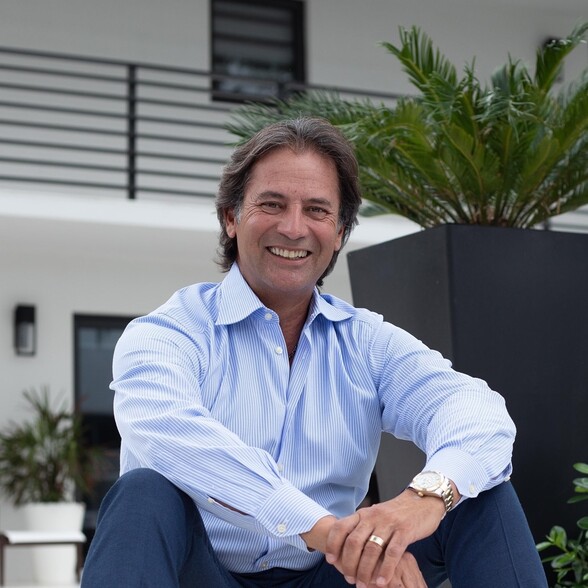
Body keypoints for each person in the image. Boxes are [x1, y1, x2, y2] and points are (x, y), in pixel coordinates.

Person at [81, 117, 547, 588]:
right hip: (201, 575)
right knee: (142, 492)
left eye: (317, 210)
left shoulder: (367, 342)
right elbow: (173, 439)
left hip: (328, 579)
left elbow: (477, 412)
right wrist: (335, 536)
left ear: (340, 231)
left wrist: (422, 501)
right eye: (272, 204)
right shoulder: (169, 332)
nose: (293, 227)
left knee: (475, 490)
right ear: (230, 217)